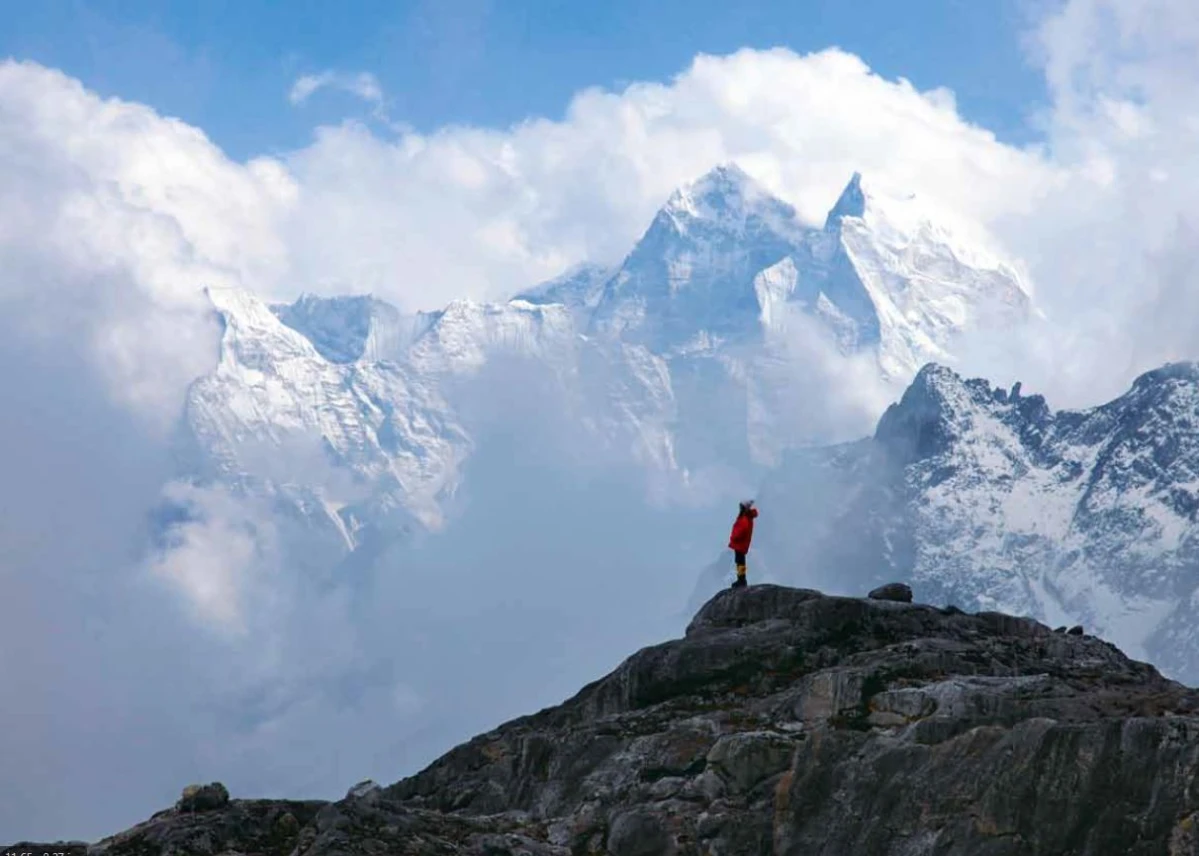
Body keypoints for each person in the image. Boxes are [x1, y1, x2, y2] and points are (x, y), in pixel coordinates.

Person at [728, 499, 758, 589]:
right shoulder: (747, 517)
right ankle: (741, 579)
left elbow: (741, 530)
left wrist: (734, 537)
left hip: (739, 544)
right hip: (740, 544)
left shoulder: (744, 518)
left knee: (740, 562)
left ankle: (741, 580)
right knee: (740, 562)